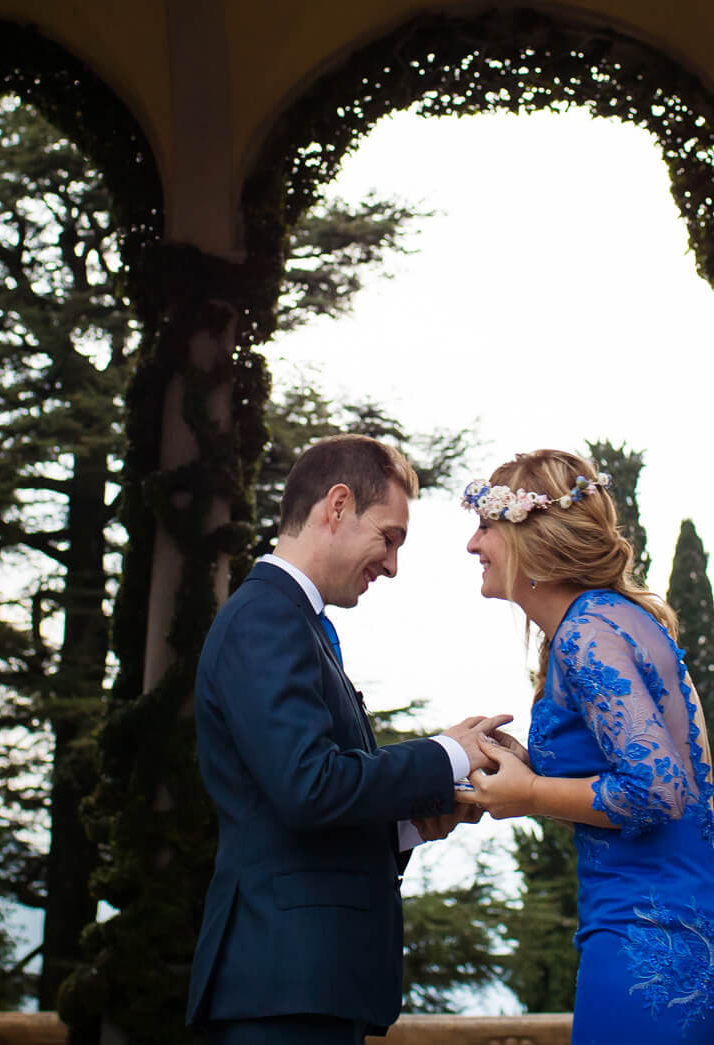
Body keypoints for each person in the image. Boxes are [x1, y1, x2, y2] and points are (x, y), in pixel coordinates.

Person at [187, 434, 506, 1044]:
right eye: (389, 537)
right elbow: (309, 786)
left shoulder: (295, 623)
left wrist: (406, 826)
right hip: (282, 987)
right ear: (336, 506)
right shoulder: (267, 618)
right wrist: (447, 754)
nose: (391, 564)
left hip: (305, 985)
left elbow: (293, 805)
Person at [462, 448, 714, 1044]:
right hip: (684, 923)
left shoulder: (585, 633)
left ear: (532, 539)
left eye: (486, 525)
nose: (473, 545)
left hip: (657, 938)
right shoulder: (609, 619)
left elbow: (657, 789)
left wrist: (531, 794)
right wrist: (519, 764)